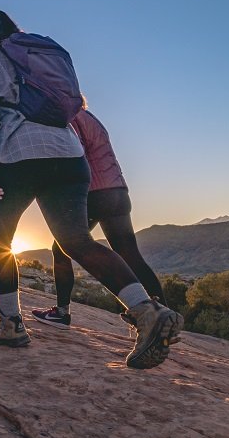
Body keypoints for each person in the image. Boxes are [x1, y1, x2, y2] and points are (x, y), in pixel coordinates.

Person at [0, 9, 182, 368]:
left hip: (17, 154)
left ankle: (11, 324)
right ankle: (147, 312)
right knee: (77, 241)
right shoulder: (37, 57)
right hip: (69, 156)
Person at [31, 107, 170, 332]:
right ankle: (164, 317)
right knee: (131, 255)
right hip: (117, 191)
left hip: (93, 193)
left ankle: (61, 312)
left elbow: (76, 154)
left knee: (62, 248)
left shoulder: (69, 118)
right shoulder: (92, 119)